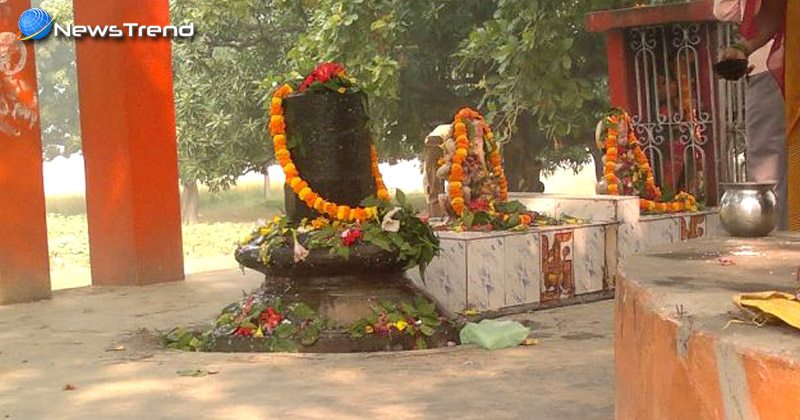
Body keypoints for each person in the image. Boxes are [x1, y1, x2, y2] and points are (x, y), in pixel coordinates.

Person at [714, 0, 788, 230]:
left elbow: (725, 9)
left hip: (773, 78)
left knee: (770, 170)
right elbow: (775, 13)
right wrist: (744, 48)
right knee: (772, 178)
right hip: (786, 73)